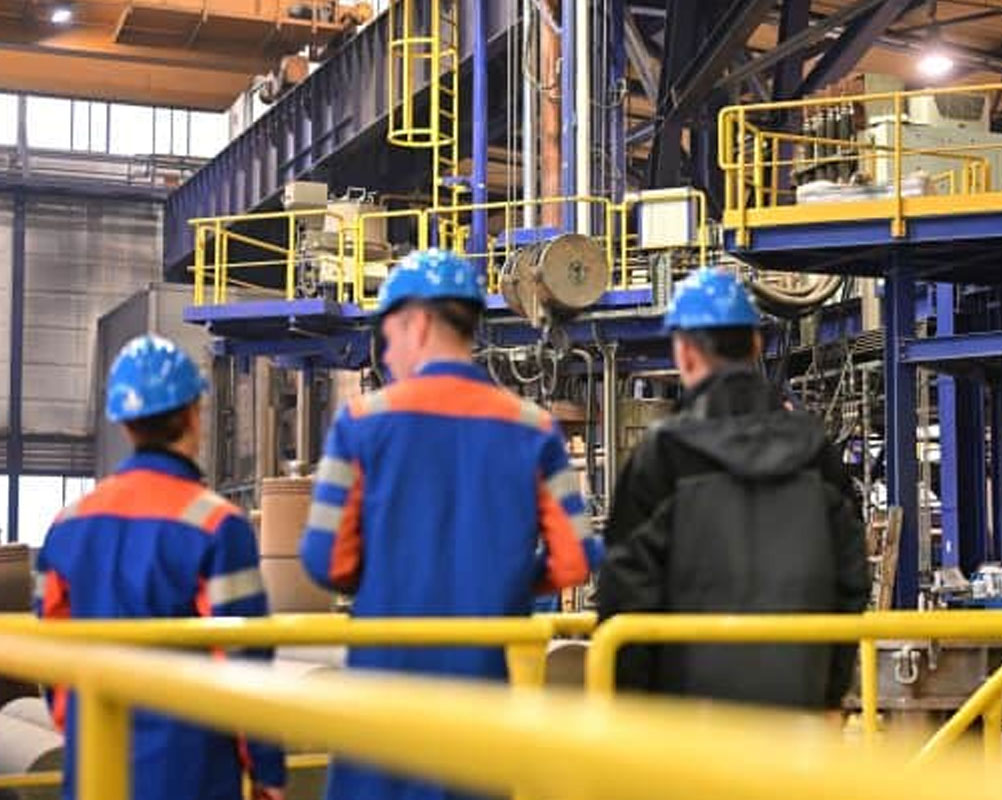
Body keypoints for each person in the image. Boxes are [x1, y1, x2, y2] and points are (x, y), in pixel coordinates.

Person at [300, 249, 592, 800]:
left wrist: (390, 579)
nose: (387, 354)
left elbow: (324, 559)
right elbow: (575, 560)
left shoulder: (359, 424)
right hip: (482, 700)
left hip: (382, 694)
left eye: (388, 337)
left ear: (417, 323)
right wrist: (506, 581)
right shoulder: (534, 429)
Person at [597, 267, 870, 709]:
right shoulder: (814, 449)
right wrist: (829, 691)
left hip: (687, 724)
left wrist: (633, 709)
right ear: (756, 345)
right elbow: (852, 579)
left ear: (685, 353)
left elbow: (626, 594)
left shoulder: (664, 455)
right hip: (797, 711)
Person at [34, 334, 285, 800]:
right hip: (192, 774)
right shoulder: (217, 525)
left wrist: (86, 726)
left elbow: (50, 653)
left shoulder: (67, 525)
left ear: (125, 424)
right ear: (193, 415)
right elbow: (244, 660)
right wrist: (267, 770)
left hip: (95, 768)